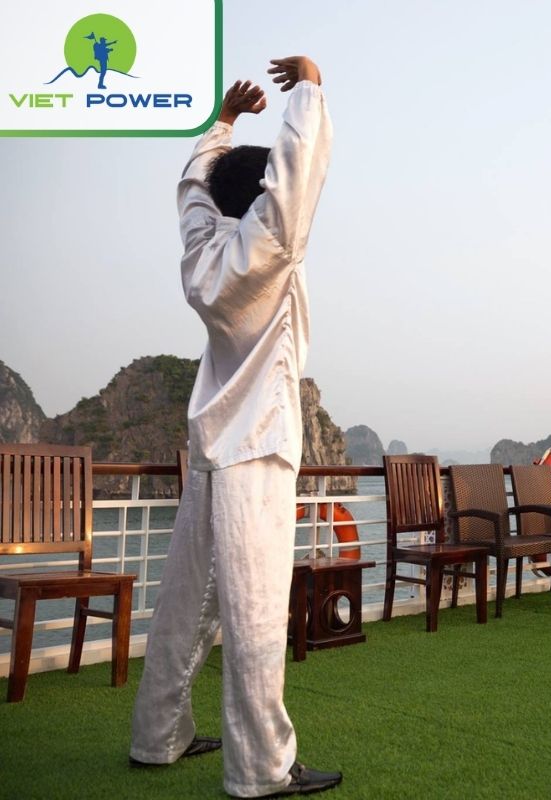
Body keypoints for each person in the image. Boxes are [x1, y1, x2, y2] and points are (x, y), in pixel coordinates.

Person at [129, 58, 342, 798]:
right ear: (258, 199)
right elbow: (296, 177)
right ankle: (261, 768)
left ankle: (158, 735)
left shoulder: (202, 250)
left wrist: (220, 123)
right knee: (255, 613)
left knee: (185, 600)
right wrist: (309, 87)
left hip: (210, 450)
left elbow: (193, 189)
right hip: (258, 447)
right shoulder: (269, 247)